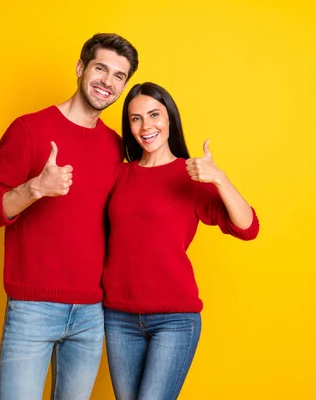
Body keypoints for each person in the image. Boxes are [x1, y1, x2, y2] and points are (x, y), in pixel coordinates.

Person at [0, 33, 139, 400]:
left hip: (92, 314)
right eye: (100, 68)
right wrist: (34, 188)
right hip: (32, 309)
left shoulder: (114, 145)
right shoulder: (29, 129)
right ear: (80, 68)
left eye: (118, 76)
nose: (107, 82)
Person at [103, 82, 260, 400]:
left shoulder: (190, 176)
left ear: (170, 119)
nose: (146, 126)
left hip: (174, 319)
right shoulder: (118, 175)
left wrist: (220, 178)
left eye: (154, 115)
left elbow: (248, 227)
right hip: (118, 317)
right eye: (135, 118)